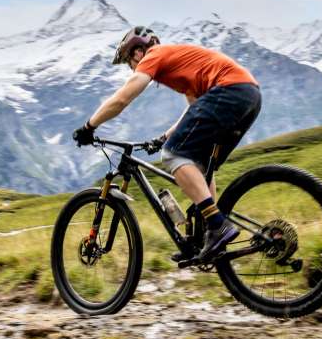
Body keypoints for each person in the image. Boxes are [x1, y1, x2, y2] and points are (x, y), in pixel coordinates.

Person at [73, 26, 262, 261]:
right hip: (249, 95)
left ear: (138, 51)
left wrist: (89, 127)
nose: (131, 68)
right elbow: (195, 108)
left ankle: (217, 225)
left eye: (128, 61)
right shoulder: (181, 65)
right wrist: (163, 137)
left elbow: (122, 99)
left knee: (173, 156)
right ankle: (207, 237)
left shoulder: (154, 56)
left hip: (230, 90)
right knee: (198, 163)